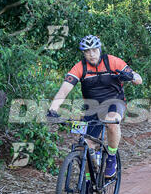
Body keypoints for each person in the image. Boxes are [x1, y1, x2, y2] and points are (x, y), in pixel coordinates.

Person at [48, 35, 142, 178]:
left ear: (99, 49)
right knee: (85, 146)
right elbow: (64, 90)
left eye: (94, 50)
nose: (91, 54)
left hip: (114, 102)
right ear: (83, 53)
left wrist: (132, 77)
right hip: (92, 108)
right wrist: (53, 109)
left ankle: (111, 157)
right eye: (87, 51)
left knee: (112, 123)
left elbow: (138, 78)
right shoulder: (80, 68)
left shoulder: (112, 61)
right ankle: (87, 181)